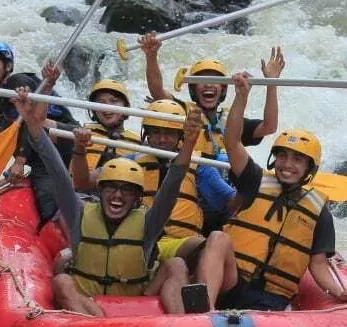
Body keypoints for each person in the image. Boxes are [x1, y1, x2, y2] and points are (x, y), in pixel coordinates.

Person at [14, 87, 204, 317]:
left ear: (136, 198)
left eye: (126, 190)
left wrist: (189, 143)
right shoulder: (79, 214)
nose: (117, 195)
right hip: (90, 301)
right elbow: (56, 170)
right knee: (62, 281)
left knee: (176, 265)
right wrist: (32, 123)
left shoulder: (149, 222)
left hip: (136, 301)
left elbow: (173, 180)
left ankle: (181, 326)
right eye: (111, 187)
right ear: (100, 191)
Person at [194, 72, 347, 312]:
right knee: (218, 238)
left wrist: (339, 291)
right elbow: (231, 143)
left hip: (272, 299)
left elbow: (318, 264)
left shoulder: (319, 212)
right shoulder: (254, 180)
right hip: (234, 283)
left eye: (297, 159)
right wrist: (241, 97)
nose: (287, 164)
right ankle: (204, 311)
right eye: (282, 156)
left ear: (309, 169)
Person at [139, 34, 285, 231]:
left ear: (223, 89)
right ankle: (233, 208)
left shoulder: (231, 120)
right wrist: (151, 56)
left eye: (215, 81)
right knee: (206, 169)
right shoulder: (183, 110)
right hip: (190, 184)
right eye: (203, 80)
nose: (209, 85)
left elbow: (269, 126)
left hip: (222, 188)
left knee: (242, 169)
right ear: (193, 89)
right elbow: (157, 92)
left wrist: (271, 83)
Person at [76, 99, 236, 271]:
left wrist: (247, 178)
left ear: (180, 135)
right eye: (156, 132)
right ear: (146, 134)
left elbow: (231, 203)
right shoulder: (130, 162)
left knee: (212, 244)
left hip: (178, 243)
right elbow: (82, 182)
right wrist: (80, 149)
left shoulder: (200, 166)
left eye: (169, 133)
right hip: (137, 240)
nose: (161, 139)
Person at [0, 41, 79, 223]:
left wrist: (19, 161)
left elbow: (32, 121)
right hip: (42, 159)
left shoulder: (18, 82)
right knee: (45, 201)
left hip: (66, 140)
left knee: (33, 123)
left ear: (8, 65)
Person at [69, 79, 142, 191]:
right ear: (94, 111)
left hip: (120, 198)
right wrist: (49, 84)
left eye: (114, 101)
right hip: (82, 195)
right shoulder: (79, 131)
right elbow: (40, 123)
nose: (107, 107)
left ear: (126, 108)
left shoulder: (139, 144)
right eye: (101, 103)